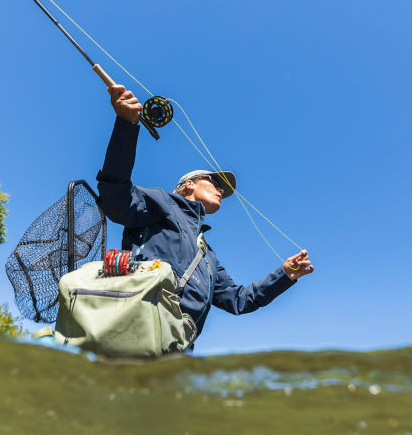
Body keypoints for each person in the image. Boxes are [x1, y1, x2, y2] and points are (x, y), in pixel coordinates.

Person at [95, 84, 314, 340]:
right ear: (189, 184)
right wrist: (126, 125)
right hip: (132, 333)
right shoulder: (162, 201)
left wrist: (285, 274)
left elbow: (240, 300)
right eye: (214, 182)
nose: (221, 189)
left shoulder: (208, 258)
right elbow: (116, 198)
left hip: (173, 356)